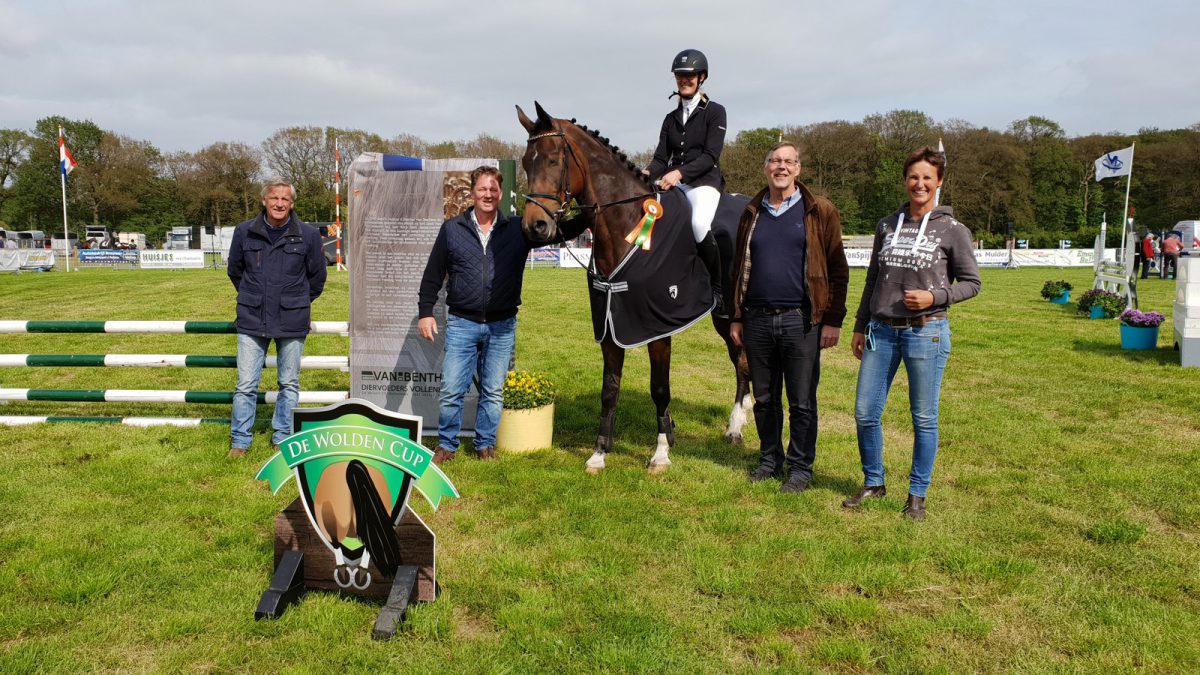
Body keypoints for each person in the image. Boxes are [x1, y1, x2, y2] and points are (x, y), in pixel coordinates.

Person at [845, 147, 981, 520]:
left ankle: (917, 494)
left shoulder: (953, 230)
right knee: (865, 412)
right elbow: (873, 277)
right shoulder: (887, 225)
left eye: (927, 177)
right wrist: (859, 325)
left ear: (939, 182)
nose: (919, 184)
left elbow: (972, 283)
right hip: (881, 332)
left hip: (927, 333)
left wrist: (935, 296)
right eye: (913, 177)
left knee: (923, 417)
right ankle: (874, 481)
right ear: (905, 181)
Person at [418, 166, 583, 465]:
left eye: (493, 189)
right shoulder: (452, 229)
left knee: (493, 392)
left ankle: (485, 445)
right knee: (452, 389)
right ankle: (446, 445)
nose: (488, 195)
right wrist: (425, 312)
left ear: (501, 194)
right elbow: (432, 275)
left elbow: (559, 231)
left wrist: (587, 215)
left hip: (502, 325)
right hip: (461, 323)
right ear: (472, 192)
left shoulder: (518, 229)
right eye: (482, 189)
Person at [728, 142, 849, 493]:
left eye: (788, 162)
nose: (781, 167)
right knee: (765, 399)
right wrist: (736, 317)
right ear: (765, 168)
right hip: (757, 320)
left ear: (798, 169)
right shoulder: (752, 211)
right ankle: (770, 459)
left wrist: (833, 320)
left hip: (802, 321)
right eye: (775, 161)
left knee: (801, 401)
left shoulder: (819, 211)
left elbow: (838, 270)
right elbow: (739, 269)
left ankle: (799, 468)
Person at [226, 178, 327, 458]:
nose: (279, 204)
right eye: (274, 198)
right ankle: (240, 442)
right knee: (245, 385)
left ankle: (282, 437)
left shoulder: (308, 234)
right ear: (264, 201)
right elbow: (235, 270)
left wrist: (298, 302)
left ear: (292, 203)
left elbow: (317, 277)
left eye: (285, 199)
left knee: (289, 383)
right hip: (251, 317)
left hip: (292, 319)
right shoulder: (244, 231)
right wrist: (253, 296)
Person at [646, 48, 725, 302]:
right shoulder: (670, 118)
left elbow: (710, 156)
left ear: (702, 77)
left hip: (704, 183)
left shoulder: (715, 112)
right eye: (680, 76)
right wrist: (645, 172)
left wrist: (678, 173)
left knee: (699, 224)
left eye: (690, 76)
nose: (684, 80)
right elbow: (661, 158)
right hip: (674, 184)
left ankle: (717, 287)